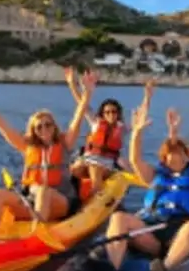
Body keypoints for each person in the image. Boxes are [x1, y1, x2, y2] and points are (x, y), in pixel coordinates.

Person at [0, 71, 94, 247]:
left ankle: (37, 235)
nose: (44, 129)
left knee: (43, 191)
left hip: (61, 202)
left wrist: (87, 94)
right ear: (33, 130)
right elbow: (3, 127)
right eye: (39, 127)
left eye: (48, 124)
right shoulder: (27, 147)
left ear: (54, 127)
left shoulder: (64, 143)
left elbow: (77, 119)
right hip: (32, 203)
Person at [93, 104, 189, 271]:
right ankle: (110, 270)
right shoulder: (155, 174)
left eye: (179, 153)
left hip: (179, 232)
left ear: (186, 156)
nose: (174, 157)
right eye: (169, 155)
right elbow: (135, 159)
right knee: (119, 217)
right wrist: (137, 133)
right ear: (163, 158)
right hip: (151, 233)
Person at [65, 69, 153, 197]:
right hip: (87, 159)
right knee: (72, 169)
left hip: (106, 164)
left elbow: (141, 117)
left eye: (114, 112)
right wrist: (72, 84)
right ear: (103, 114)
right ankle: (72, 198)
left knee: (94, 169)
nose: (111, 114)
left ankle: (96, 196)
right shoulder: (96, 123)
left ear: (118, 113)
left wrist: (147, 97)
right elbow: (81, 103)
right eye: (107, 112)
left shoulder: (122, 128)